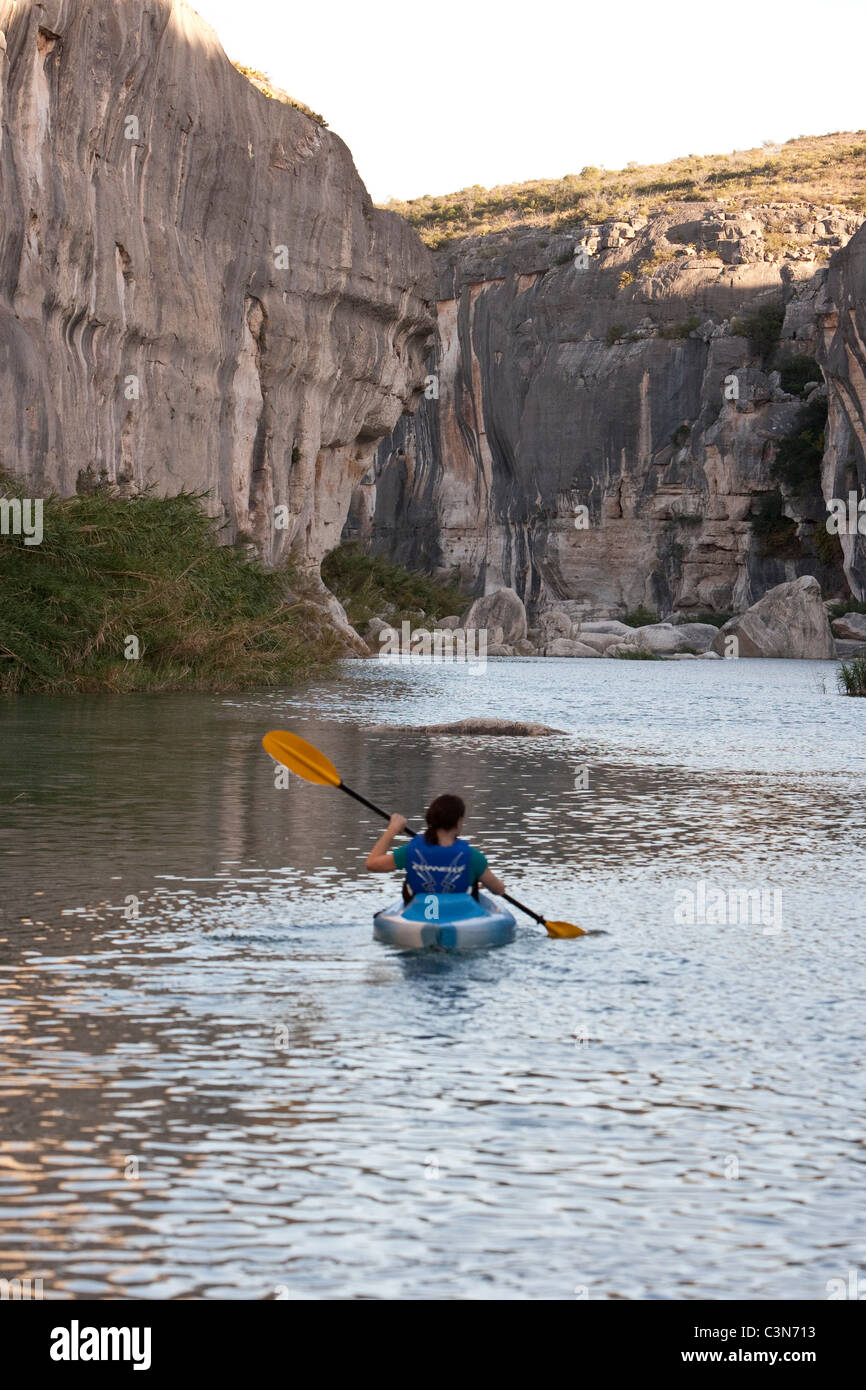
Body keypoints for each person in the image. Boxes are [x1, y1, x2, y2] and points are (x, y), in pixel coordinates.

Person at [366, 793, 505, 899]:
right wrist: (474, 881)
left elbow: (372, 863)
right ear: (459, 822)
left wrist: (392, 829)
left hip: (421, 914)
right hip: (459, 917)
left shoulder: (411, 852)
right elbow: (498, 890)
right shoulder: (473, 857)